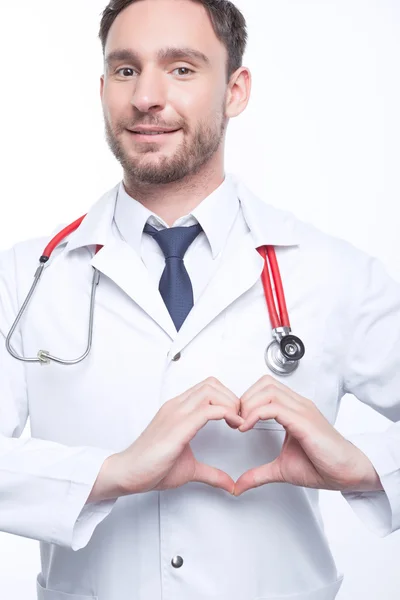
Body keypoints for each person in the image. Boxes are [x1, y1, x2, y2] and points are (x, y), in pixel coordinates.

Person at [0, 0, 399, 599]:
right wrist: (110, 475)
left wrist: (366, 466)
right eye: (126, 69)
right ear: (103, 86)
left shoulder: (333, 273)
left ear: (235, 90)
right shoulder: (25, 277)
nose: (146, 98)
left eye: (182, 68)